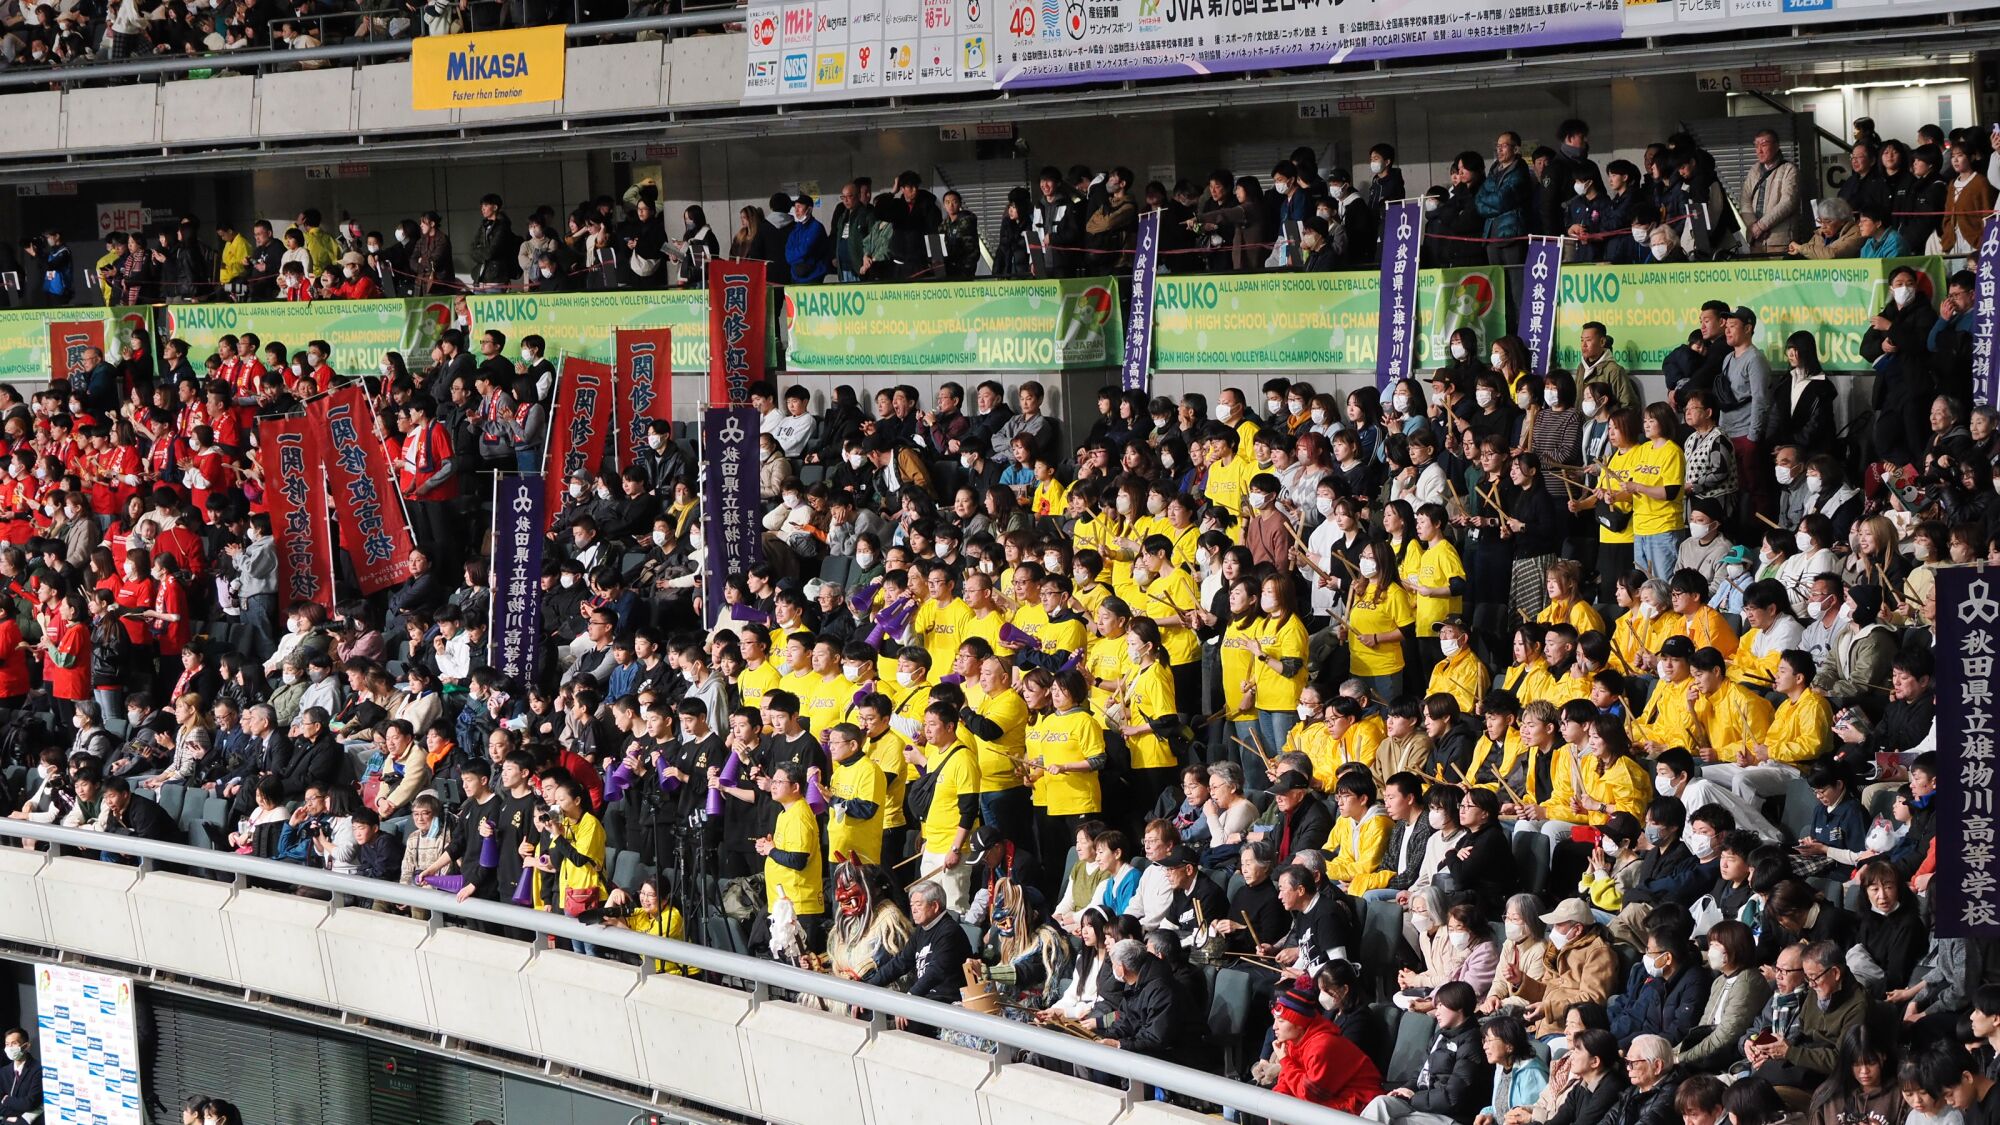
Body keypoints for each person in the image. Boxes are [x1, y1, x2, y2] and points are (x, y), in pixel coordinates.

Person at [1360, 981, 1492, 1124]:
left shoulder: (1472, 1042)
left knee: (1396, 1120)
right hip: (1426, 1106)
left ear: (1458, 1006)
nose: (1437, 1011)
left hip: (1454, 1116)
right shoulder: (1441, 1036)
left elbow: (1453, 1098)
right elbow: (1420, 1074)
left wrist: (1412, 1097)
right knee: (1381, 1103)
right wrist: (1403, 1090)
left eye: (1441, 1005)